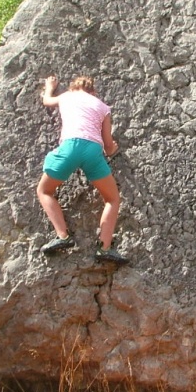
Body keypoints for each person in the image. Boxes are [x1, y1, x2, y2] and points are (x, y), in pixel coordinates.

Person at [37, 75, 128, 264]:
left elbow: (47, 101)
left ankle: (63, 236)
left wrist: (49, 86)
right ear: (92, 91)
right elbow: (108, 145)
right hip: (93, 150)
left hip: (71, 146)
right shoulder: (102, 107)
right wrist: (113, 150)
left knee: (44, 191)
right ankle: (104, 248)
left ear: (73, 87)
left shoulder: (67, 96)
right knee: (112, 199)